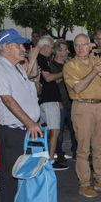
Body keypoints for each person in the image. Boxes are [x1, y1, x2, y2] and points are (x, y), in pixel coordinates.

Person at [0, 29, 43, 202]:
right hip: (14, 131)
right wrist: (29, 122)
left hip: (27, 130)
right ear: (6, 47)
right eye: (19, 45)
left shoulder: (16, 67)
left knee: (27, 175)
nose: (23, 48)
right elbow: (7, 100)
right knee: (12, 176)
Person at [64, 33, 101, 197]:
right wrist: (95, 72)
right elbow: (78, 88)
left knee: (100, 145)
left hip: (100, 106)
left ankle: (100, 179)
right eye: (77, 45)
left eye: (83, 44)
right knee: (83, 148)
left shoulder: (99, 62)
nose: (80, 48)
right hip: (82, 107)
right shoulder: (70, 66)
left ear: (90, 46)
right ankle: (84, 184)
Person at [32, 36, 66, 170]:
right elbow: (48, 77)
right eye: (52, 48)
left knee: (47, 130)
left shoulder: (41, 59)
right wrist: (64, 72)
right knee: (55, 130)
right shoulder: (41, 59)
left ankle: (45, 158)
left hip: (48, 100)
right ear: (45, 47)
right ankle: (50, 160)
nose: (52, 51)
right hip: (48, 100)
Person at [51, 40, 75, 165]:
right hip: (58, 102)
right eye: (65, 50)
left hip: (72, 100)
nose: (67, 52)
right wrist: (65, 72)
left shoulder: (70, 64)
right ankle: (59, 154)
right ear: (58, 51)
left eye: (67, 50)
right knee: (58, 131)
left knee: (75, 128)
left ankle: (76, 151)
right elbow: (51, 81)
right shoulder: (51, 65)